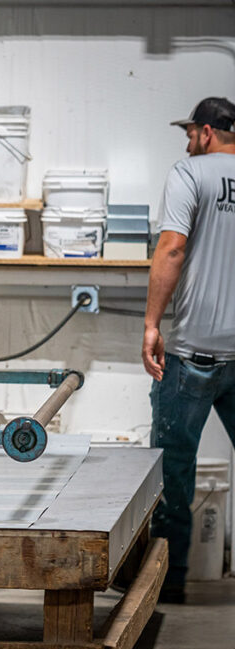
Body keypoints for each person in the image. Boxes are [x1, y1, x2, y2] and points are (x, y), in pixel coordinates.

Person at [143, 96, 235, 604]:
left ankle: (170, 582)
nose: (186, 143)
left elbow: (172, 247)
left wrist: (152, 323)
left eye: (189, 133)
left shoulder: (190, 173)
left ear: (205, 132)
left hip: (194, 353)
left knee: (174, 470)